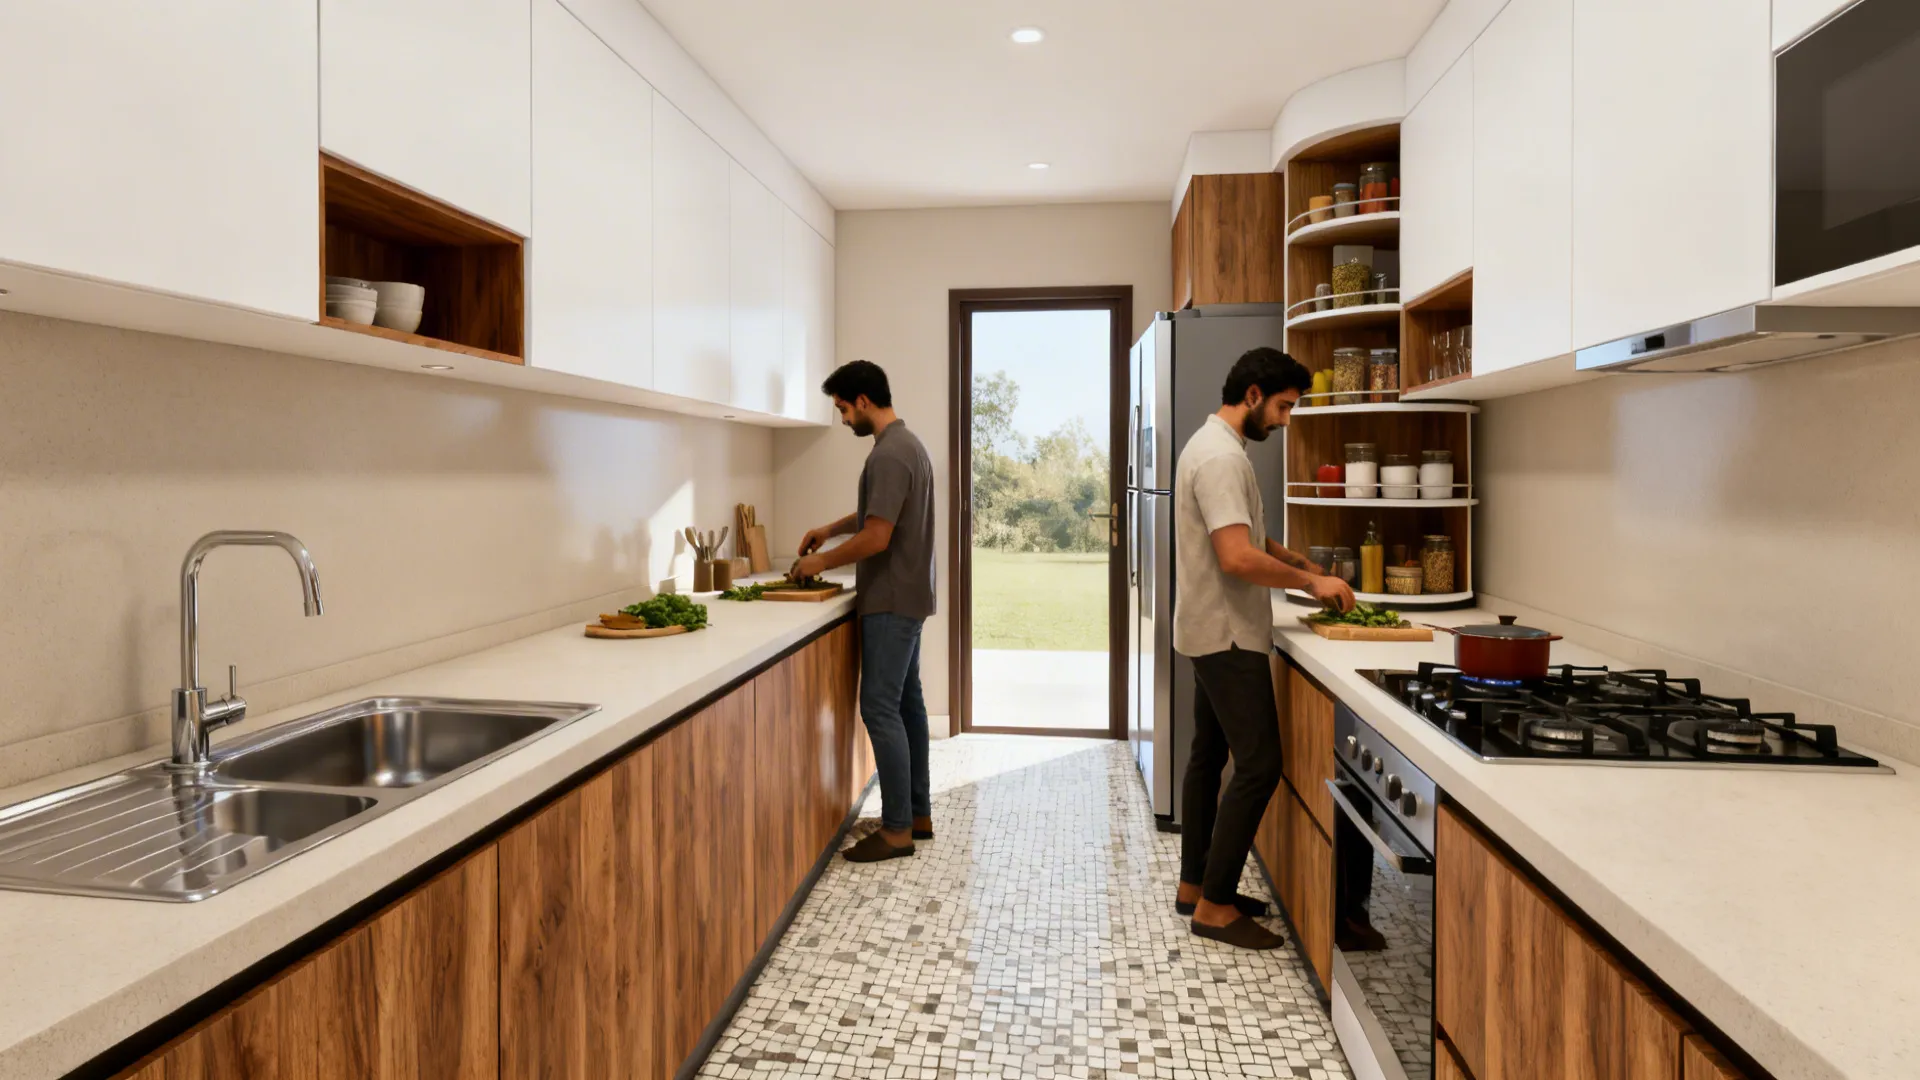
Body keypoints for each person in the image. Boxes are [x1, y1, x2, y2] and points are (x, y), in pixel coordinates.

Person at [1172, 346, 1355, 950]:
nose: (1285, 419)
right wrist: (1311, 581)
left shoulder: (1212, 445)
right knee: (1259, 765)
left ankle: (1196, 886)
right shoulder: (1222, 458)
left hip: (1206, 627)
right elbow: (1234, 555)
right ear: (1252, 394)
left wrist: (1292, 557)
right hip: (1228, 634)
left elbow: (1241, 531)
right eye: (1282, 406)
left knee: (1207, 758)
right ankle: (1216, 907)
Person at [796, 360, 938, 863]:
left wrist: (820, 559)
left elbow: (878, 536)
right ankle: (915, 813)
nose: (841, 419)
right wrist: (830, 529)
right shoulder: (907, 446)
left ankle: (898, 831)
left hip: (890, 601)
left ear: (861, 401)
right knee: (906, 706)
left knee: (879, 707)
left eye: (841, 408)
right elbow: (878, 513)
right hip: (910, 596)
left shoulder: (888, 455)